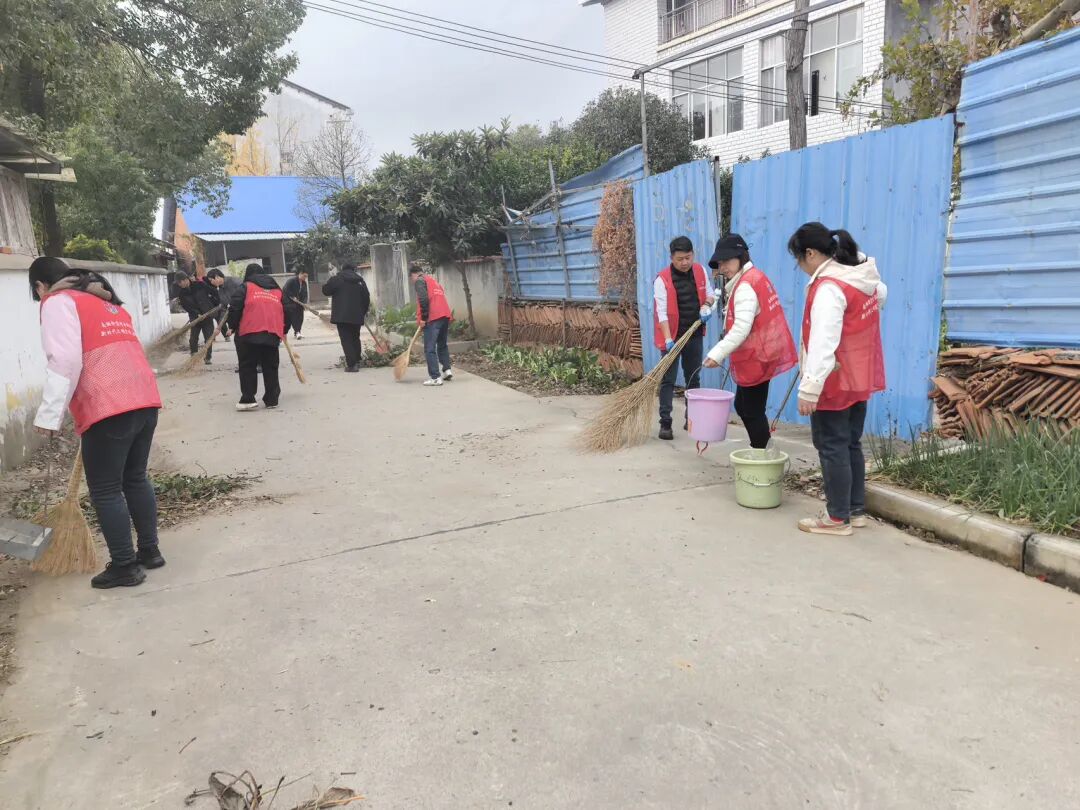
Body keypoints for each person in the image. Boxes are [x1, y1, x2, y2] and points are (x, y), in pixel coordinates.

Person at [29, 257, 164, 589]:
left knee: (105, 489)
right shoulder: (108, 302)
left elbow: (64, 359)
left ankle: (124, 566)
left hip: (109, 404)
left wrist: (49, 414)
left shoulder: (58, 301)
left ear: (40, 286)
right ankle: (150, 551)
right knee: (135, 478)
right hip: (144, 397)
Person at [789, 222, 887, 536]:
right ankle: (855, 510)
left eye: (798, 259)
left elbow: (823, 341)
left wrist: (809, 388)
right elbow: (881, 295)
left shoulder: (830, 288)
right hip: (857, 375)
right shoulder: (863, 279)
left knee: (831, 445)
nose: (800, 267)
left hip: (833, 379)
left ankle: (836, 519)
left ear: (811, 253)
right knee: (850, 443)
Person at [702, 234, 798, 449]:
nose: (723, 268)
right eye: (720, 263)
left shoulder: (746, 285)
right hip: (762, 353)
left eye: (727, 261)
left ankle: (763, 453)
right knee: (744, 406)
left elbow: (741, 328)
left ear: (741, 257)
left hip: (757, 357)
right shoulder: (753, 277)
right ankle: (761, 448)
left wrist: (717, 354)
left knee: (752, 410)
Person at [653, 236, 716, 440]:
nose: (684, 262)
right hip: (672, 338)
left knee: (693, 377)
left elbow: (710, 294)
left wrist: (707, 306)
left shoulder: (700, 271)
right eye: (680, 259)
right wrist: (668, 339)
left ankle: (692, 419)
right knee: (668, 380)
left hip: (694, 334)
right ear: (672, 258)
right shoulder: (662, 280)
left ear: (693, 254)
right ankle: (665, 423)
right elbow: (661, 313)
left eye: (688, 257)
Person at [227, 263, 289, 412]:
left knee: (247, 365)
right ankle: (272, 399)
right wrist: (283, 330)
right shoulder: (277, 290)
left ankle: (248, 399)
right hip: (272, 333)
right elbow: (288, 309)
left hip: (248, 333)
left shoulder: (245, 287)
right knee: (270, 366)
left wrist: (232, 326)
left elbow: (235, 307)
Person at [322, 263, 371, 373]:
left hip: (341, 316)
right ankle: (357, 360)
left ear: (342, 269)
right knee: (355, 337)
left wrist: (330, 279)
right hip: (356, 315)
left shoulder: (336, 279)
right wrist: (362, 312)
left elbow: (325, 291)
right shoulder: (360, 281)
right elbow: (366, 298)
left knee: (346, 339)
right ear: (354, 269)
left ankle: (352, 365)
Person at [410, 264, 453, 387]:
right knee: (442, 344)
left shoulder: (419, 281)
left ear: (414, 275)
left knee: (429, 348)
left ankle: (435, 377)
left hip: (433, 317)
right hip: (444, 315)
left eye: (411, 278)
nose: (412, 281)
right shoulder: (433, 281)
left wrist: (423, 318)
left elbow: (423, 299)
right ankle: (447, 370)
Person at [282, 269, 309, 340]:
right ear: (300, 273)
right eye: (304, 276)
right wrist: (292, 297)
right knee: (294, 317)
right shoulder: (291, 281)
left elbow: (305, 293)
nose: (305, 278)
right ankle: (297, 332)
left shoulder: (304, 283)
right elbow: (285, 289)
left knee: (300, 317)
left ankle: (298, 331)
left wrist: (304, 303)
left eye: (306, 276)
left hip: (299, 303)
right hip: (289, 303)